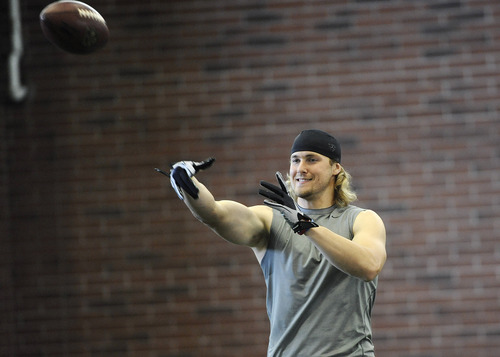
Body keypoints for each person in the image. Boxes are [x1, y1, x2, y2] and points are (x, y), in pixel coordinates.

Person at [160, 129, 387, 356]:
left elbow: (368, 266)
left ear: (336, 168)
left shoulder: (362, 219)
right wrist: (187, 184)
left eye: (312, 159)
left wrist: (306, 226)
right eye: (295, 160)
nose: (301, 168)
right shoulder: (270, 220)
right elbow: (215, 214)